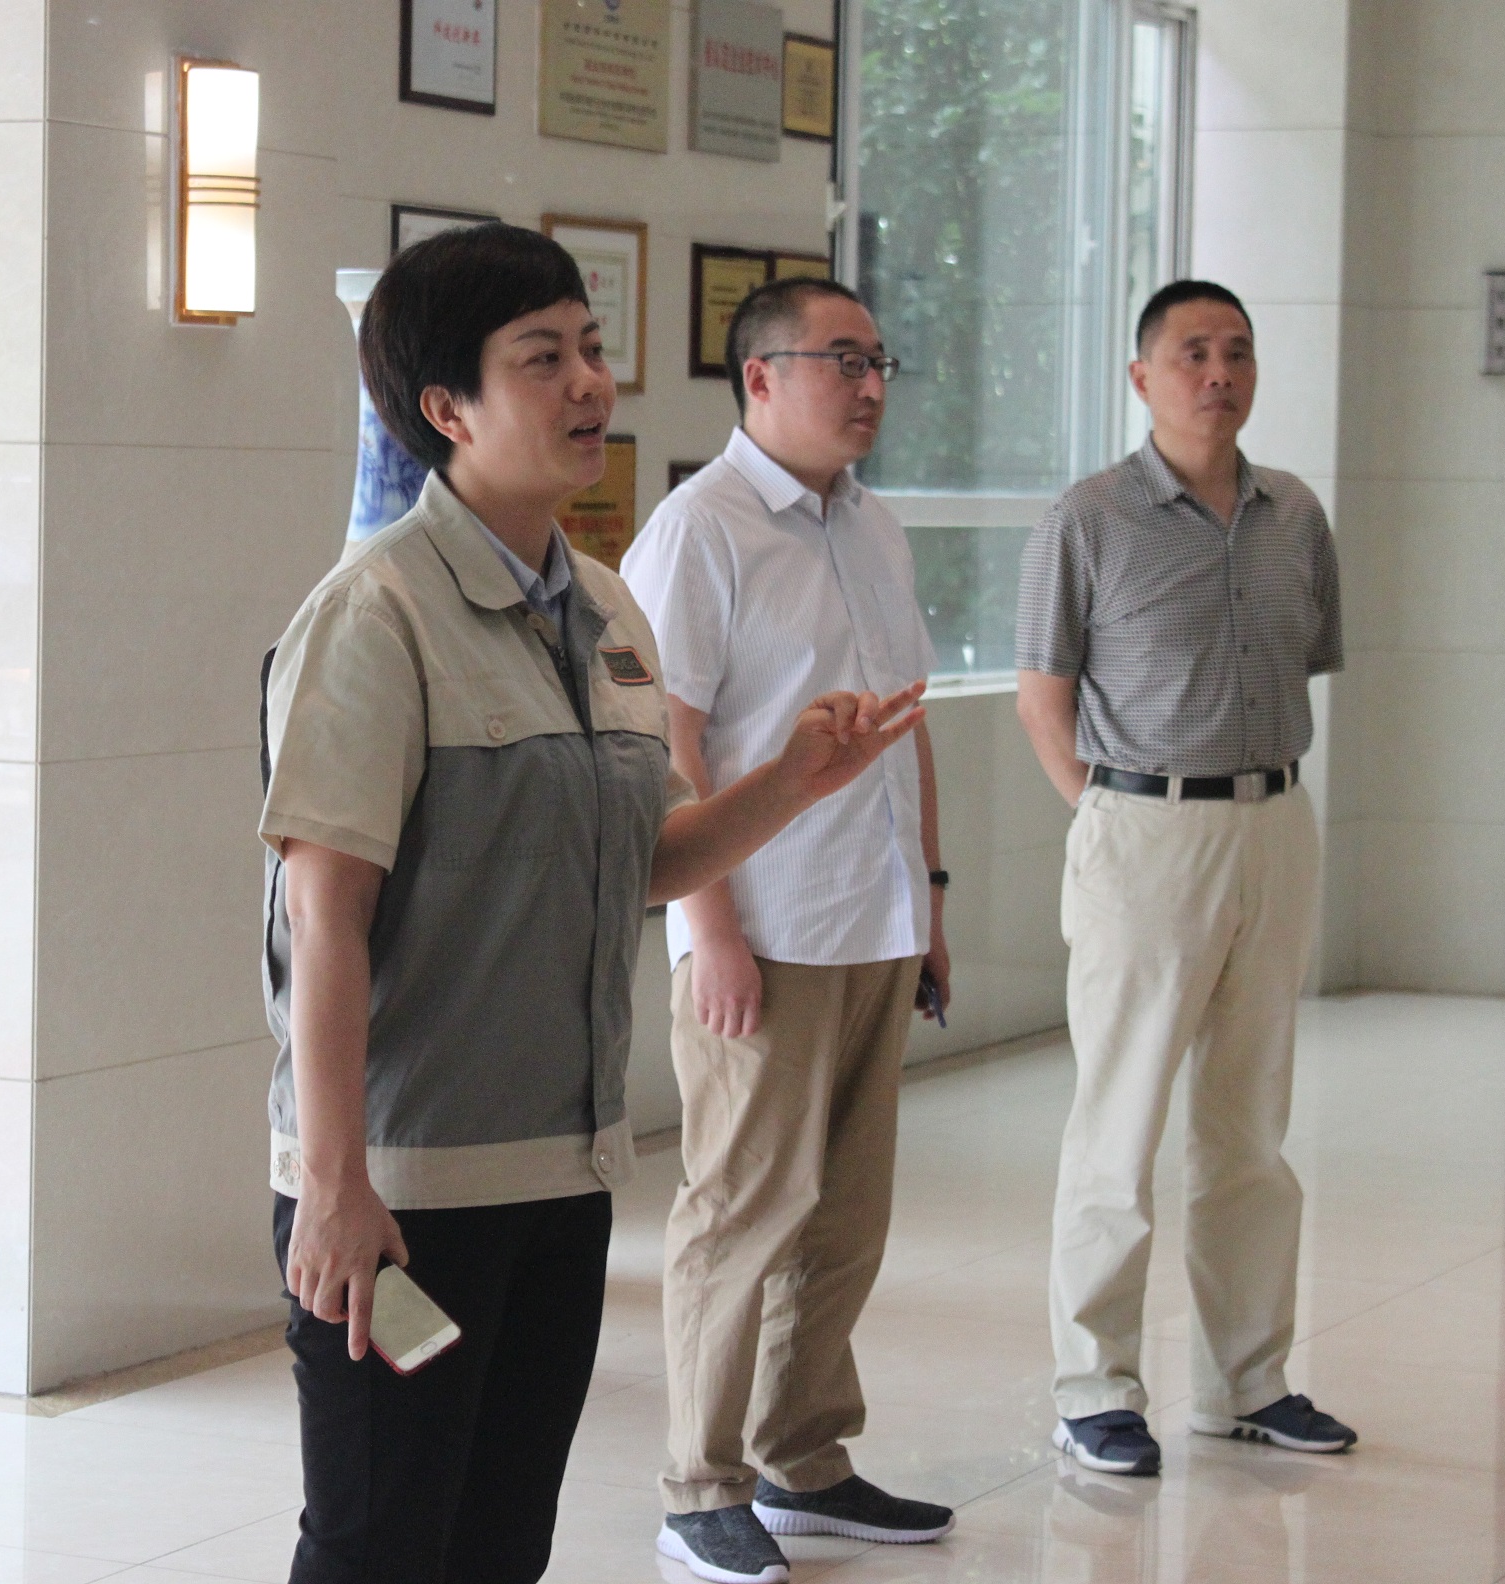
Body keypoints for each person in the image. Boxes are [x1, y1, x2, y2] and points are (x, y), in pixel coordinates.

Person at [257, 224, 928, 1584]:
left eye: (592, 348)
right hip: (411, 1192)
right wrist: (334, 1186)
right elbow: (323, 921)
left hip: (562, 1178)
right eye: (541, 359)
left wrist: (791, 782)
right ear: (448, 408)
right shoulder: (376, 614)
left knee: (503, 1542)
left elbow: (645, 865)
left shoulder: (606, 608)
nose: (588, 386)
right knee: (381, 1545)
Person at [621, 276, 954, 1584]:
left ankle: (803, 1459)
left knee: (844, 1218)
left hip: (873, 915)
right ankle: (698, 1488)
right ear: (760, 378)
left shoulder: (873, 526)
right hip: (763, 927)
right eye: (842, 362)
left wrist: (931, 899)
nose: (870, 386)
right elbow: (668, 745)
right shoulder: (699, 531)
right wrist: (708, 927)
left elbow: (904, 726)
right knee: (741, 1212)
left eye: (879, 363)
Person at [1013, 279, 1356, 1478]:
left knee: (1251, 1126)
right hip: (1143, 831)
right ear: (1142, 377)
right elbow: (1043, 698)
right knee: (1119, 1126)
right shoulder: (1089, 517)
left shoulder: (1295, 513)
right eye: (1194, 352)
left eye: (1238, 353)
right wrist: (1110, 815)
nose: (1220, 373)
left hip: (1276, 824)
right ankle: (1095, 1390)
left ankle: (1247, 1382)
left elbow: (1310, 660)